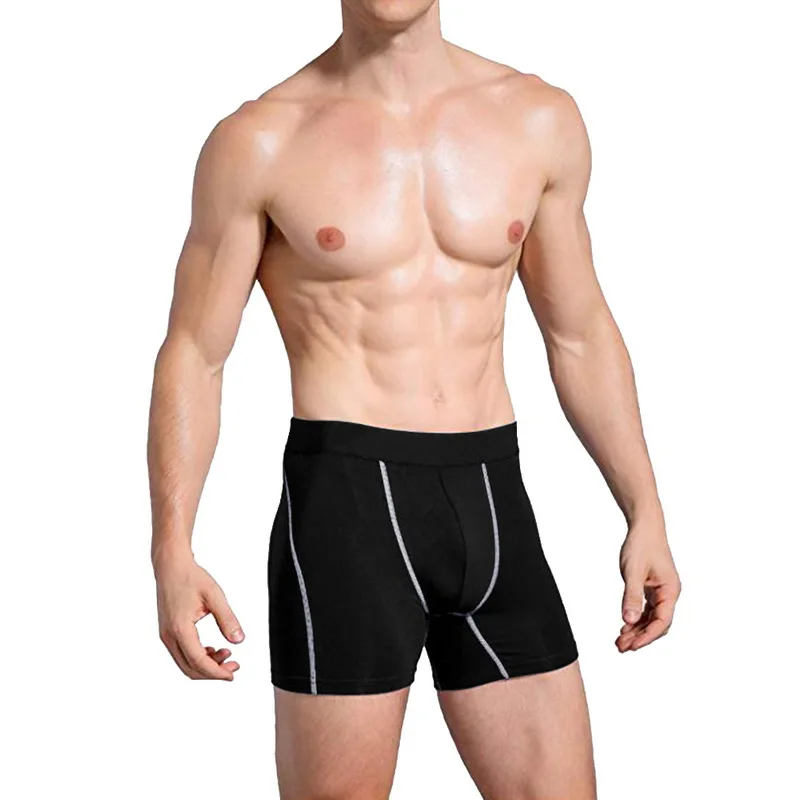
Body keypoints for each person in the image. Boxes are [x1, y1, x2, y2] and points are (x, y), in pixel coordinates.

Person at [148, 1, 681, 797]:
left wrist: (644, 507)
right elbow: (196, 353)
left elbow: (579, 332)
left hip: (493, 503)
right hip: (346, 512)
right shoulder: (261, 140)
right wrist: (172, 547)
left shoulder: (537, 119)